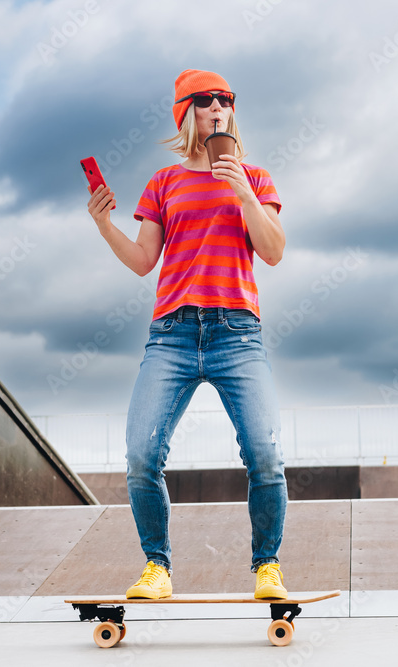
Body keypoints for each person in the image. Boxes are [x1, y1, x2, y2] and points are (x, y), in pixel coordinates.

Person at [86, 69, 288, 600]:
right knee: (140, 455)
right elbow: (142, 261)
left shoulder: (257, 178)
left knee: (264, 452)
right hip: (172, 335)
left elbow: (273, 250)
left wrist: (242, 191)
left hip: (236, 332)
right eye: (205, 100)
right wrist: (106, 224)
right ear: (186, 113)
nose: (218, 107)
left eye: (225, 99)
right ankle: (157, 567)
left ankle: (267, 566)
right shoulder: (164, 182)